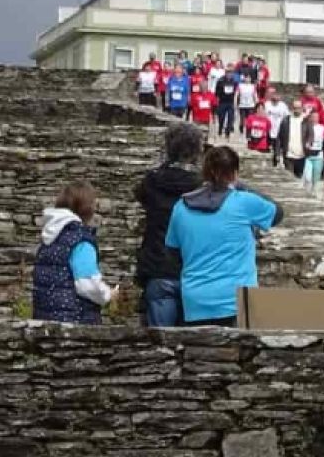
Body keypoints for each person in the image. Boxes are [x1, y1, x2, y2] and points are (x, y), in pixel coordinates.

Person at [165, 147, 283, 327]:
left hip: (195, 299)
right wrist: (242, 186)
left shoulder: (181, 207)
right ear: (234, 173)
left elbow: (172, 253)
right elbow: (277, 213)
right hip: (237, 300)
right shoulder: (243, 202)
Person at [134, 124, 204, 327]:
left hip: (158, 265)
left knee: (160, 345)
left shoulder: (152, 182)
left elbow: (141, 195)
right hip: (195, 267)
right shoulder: (203, 187)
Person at [32, 181, 118, 324]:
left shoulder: (51, 237)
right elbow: (87, 284)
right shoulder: (80, 240)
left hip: (45, 322)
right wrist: (108, 294)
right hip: (75, 321)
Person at [279, 98, 314, 180]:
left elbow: (311, 134)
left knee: (298, 178)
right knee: (289, 179)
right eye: (295, 108)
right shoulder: (286, 120)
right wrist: (278, 153)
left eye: (298, 107)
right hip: (288, 155)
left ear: (302, 108)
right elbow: (279, 137)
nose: (296, 110)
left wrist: (309, 142)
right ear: (292, 108)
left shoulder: (306, 121)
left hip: (301, 155)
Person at [302, 111, 324, 196]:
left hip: (318, 155)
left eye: (316, 117)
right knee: (307, 176)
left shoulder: (322, 128)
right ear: (310, 117)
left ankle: (313, 192)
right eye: (313, 117)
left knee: (316, 176)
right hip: (308, 155)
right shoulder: (306, 126)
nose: (314, 118)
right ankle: (306, 190)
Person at [264, 90, 290, 167]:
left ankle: (276, 164)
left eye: (277, 95)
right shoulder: (267, 104)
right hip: (268, 131)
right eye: (274, 95)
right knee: (268, 149)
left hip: (279, 131)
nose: (276, 97)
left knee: (277, 150)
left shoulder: (283, 106)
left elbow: (287, 117)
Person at [215, 66, 238, 139]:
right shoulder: (220, 80)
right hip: (222, 102)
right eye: (228, 73)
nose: (229, 74)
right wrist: (217, 100)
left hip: (230, 102)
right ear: (226, 73)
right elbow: (217, 92)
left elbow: (236, 92)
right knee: (221, 117)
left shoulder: (234, 82)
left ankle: (227, 133)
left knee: (230, 118)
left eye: (231, 73)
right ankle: (220, 129)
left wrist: (235, 102)